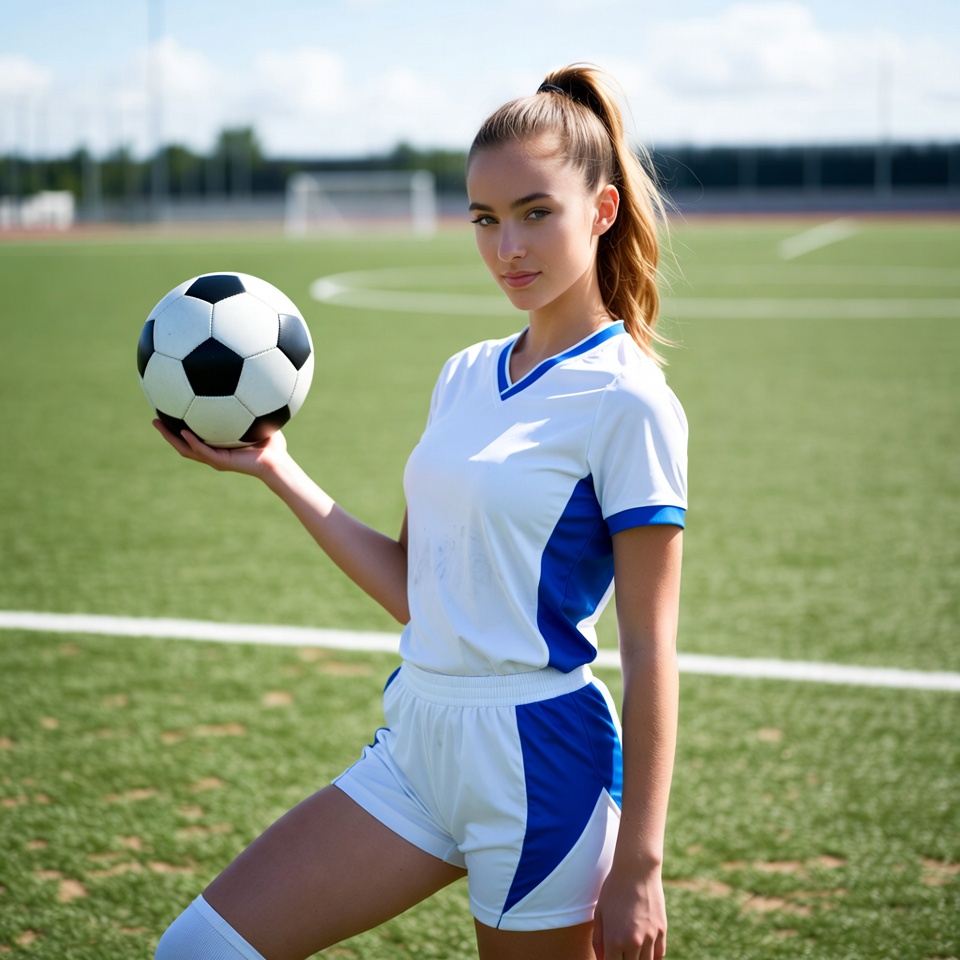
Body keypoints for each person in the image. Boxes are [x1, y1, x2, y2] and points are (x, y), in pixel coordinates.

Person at [154, 63, 687, 960]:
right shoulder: (466, 372)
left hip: (539, 760)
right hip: (418, 741)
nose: (506, 246)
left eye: (534, 212)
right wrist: (278, 469)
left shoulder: (628, 400)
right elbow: (417, 591)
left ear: (600, 211)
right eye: (484, 219)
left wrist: (640, 862)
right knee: (199, 951)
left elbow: (650, 648)